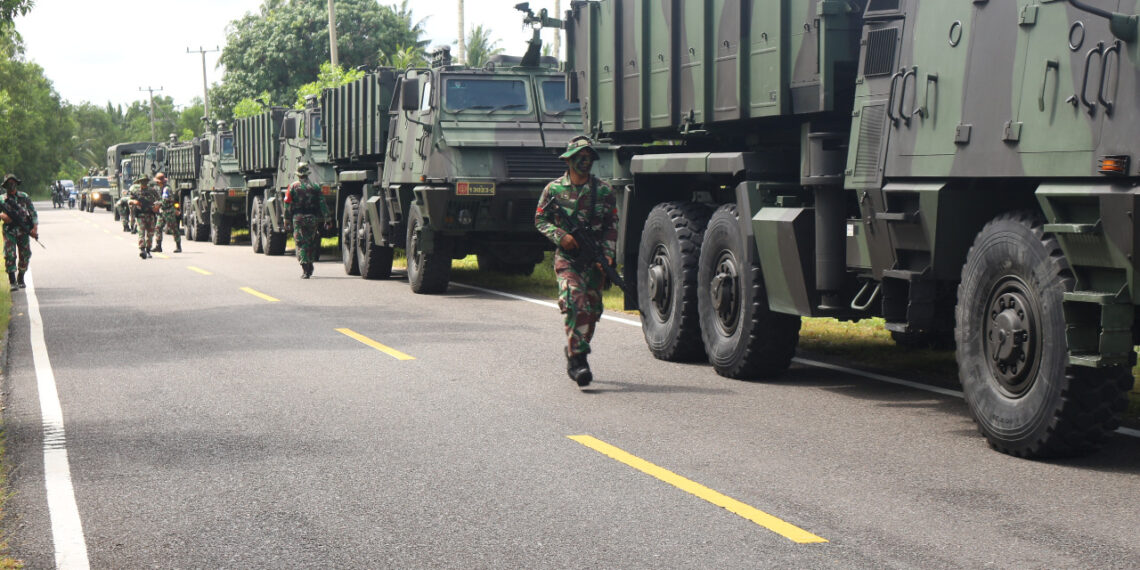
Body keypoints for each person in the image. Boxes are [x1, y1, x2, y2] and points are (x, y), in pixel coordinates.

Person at [534, 136, 618, 388]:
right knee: (575, 302)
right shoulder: (554, 190)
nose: (585, 161)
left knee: (592, 311)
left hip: (594, 259)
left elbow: (611, 226)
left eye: (589, 157)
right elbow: (540, 220)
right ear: (569, 160)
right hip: (568, 259)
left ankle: (573, 349)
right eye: (580, 156)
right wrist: (562, 236)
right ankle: (578, 361)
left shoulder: (604, 191)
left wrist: (608, 256)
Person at [283, 162, 331, 279]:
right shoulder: (315, 187)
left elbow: (287, 204)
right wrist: (327, 218)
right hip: (312, 218)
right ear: (307, 173)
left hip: (298, 218)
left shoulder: (293, 187)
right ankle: (310, 264)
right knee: (311, 242)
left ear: (298, 174)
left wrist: (286, 219)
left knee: (300, 243)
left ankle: (305, 268)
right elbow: (322, 204)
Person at [0, 174, 39, 291]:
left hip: (23, 231)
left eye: (13, 182)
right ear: (5, 185)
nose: (11, 185)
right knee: (10, 254)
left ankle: (21, 277)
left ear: (16, 183)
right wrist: (2, 215)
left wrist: (34, 228)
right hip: (9, 231)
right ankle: (12, 281)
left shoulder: (24, 196)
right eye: (8, 183)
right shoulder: (2, 199)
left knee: (25, 254)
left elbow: (33, 213)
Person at [129, 175, 159, 259]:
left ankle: (148, 250)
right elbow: (129, 200)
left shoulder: (152, 191)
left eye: (145, 180)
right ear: (139, 182)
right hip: (140, 215)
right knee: (141, 232)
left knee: (150, 234)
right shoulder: (136, 191)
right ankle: (142, 249)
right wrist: (134, 201)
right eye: (142, 181)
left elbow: (159, 200)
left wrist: (156, 206)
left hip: (150, 215)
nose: (144, 182)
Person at [152, 173, 181, 253]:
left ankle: (178, 246)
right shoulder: (162, 188)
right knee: (158, 228)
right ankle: (158, 246)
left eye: (157, 182)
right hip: (163, 212)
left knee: (173, 229)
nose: (157, 183)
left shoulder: (166, 189)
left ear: (160, 182)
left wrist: (157, 204)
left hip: (168, 212)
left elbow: (165, 200)